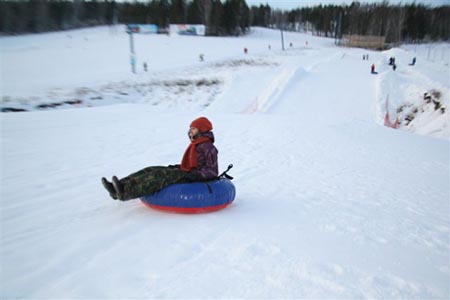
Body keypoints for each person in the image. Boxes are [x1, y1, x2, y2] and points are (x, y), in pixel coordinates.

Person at [102, 117, 218, 201]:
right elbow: (193, 164)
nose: (190, 131)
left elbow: (212, 171)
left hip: (195, 177)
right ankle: (118, 186)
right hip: (188, 173)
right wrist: (179, 167)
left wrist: (195, 175)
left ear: (201, 129)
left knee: (159, 176)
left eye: (193, 128)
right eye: (190, 128)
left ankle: (124, 193)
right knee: (151, 170)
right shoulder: (196, 144)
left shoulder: (208, 147)